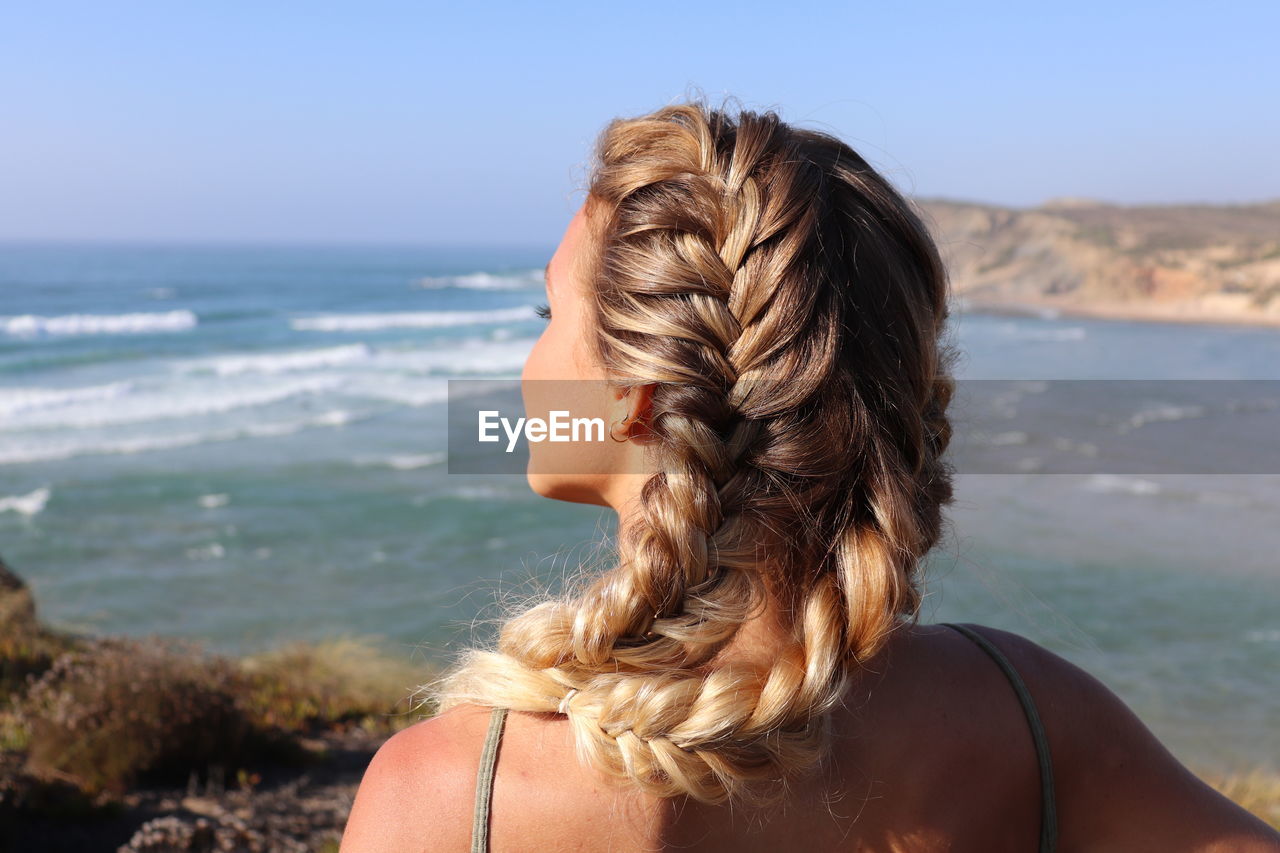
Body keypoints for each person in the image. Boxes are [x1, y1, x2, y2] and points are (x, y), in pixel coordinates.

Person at [340, 98, 1280, 852]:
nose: (525, 368)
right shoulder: (1030, 716)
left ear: (635, 394)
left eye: (544, 314)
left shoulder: (456, 800)